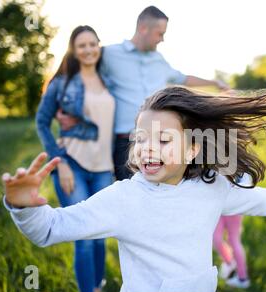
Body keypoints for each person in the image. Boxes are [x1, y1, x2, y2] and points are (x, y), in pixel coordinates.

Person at [2, 87, 266, 292]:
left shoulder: (212, 188)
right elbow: (51, 229)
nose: (148, 148)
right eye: (141, 138)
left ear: (193, 148)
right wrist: (24, 207)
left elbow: (258, 199)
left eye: (163, 139)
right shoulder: (123, 199)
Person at [56, 6, 230, 181]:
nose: (162, 39)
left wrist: (214, 83)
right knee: (133, 198)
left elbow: (183, 78)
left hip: (163, 140)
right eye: (159, 33)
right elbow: (77, 72)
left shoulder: (159, 60)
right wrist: (63, 109)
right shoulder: (109, 54)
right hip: (126, 142)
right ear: (143, 29)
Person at [35, 25, 115, 292]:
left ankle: (97, 288)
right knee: (83, 235)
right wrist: (61, 163)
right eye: (82, 45)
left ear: (99, 46)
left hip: (104, 168)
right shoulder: (61, 83)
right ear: (73, 49)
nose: (89, 49)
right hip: (73, 166)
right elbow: (42, 123)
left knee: (100, 233)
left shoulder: (108, 81)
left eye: (93, 43)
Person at [213, 173, 253, 289]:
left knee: (233, 240)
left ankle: (243, 278)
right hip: (218, 206)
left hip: (234, 207)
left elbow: (246, 183)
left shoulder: (239, 163)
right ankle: (229, 262)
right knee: (216, 239)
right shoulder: (212, 158)